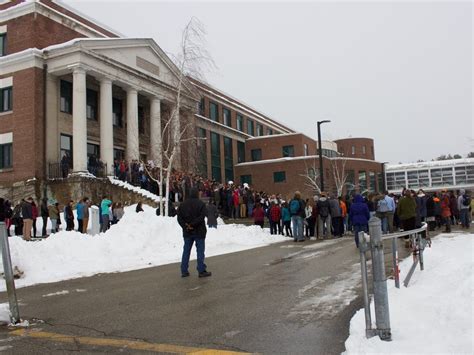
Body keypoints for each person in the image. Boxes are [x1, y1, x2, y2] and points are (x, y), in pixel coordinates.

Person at [177, 187, 211, 278]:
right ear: (196, 194)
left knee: (186, 251)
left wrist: (186, 226)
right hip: (199, 231)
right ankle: (201, 270)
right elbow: (202, 216)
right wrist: (193, 224)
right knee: (200, 251)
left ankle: (184, 270)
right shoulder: (201, 204)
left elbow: (179, 218)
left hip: (187, 232)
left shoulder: (182, 204)